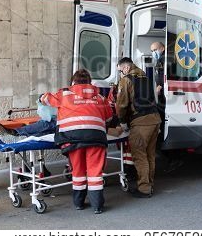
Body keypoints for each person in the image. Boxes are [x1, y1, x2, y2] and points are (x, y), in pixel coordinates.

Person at [41, 69, 113, 214]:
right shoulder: (100, 97)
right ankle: (97, 206)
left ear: (73, 82)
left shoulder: (65, 94)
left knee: (78, 171)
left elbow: (46, 99)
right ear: (89, 82)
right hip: (96, 138)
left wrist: (41, 98)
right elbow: (109, 117)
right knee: (95, 173)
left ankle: (79, 203)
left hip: (72, 139)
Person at [116, 57, 161, 198]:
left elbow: (122, 105)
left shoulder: (126, 80)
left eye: (120, 71)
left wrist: (122, 122)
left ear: (126, 68)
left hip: (141, 122)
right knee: (150, 155)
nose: (120, 74)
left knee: (140, 156)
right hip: (155, 119)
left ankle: (144, 189)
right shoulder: (147, 78)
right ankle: (149, 184)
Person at [150, 41, 184, 173]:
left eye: (155, 50)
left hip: (168, 101)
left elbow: (171, 80)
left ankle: (174, 159)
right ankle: (172, 158)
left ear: (162, 48)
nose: (154, 53)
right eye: (152, 50)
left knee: (163, 130)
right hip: (163, 100)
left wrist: (161, 87)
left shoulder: (167, 61)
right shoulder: (161, 61)